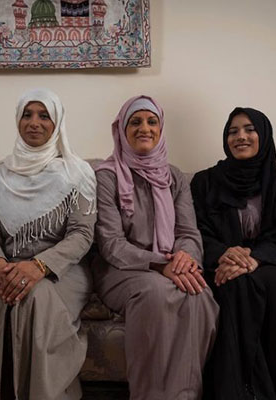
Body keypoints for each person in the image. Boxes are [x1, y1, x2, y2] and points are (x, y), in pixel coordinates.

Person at [0, 88, 96, 400]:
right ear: (17, 121)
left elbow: (81, 235)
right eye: (27, 115)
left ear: (57, 123)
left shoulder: (78, 173)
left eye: (44, 115)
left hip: (62, 269)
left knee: (36, 297)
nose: (34, 122)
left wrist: (39, 266)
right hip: (6, 264)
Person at [92, 95, 218, 400]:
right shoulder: (106, 176)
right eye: (135, 122)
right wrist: (161, 264)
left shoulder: (174, 176)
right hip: (121, 268)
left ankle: (185, 395)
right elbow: (111, 243)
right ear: (122, 130)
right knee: (156, 294)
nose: (144, 128)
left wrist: (186, 258)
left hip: (171, 265)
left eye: (152, 121)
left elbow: (188, 231)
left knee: (201, 296)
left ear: (161, 129)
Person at [192, 107, 276, 400]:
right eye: (233, 132)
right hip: (222, 264)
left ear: (264, 135)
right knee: (233, 285)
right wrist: (224, 253)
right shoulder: (205, 182)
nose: (240, 137)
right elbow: (196, 229)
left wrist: (255, 258)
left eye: (249, 129)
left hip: (271, 261)